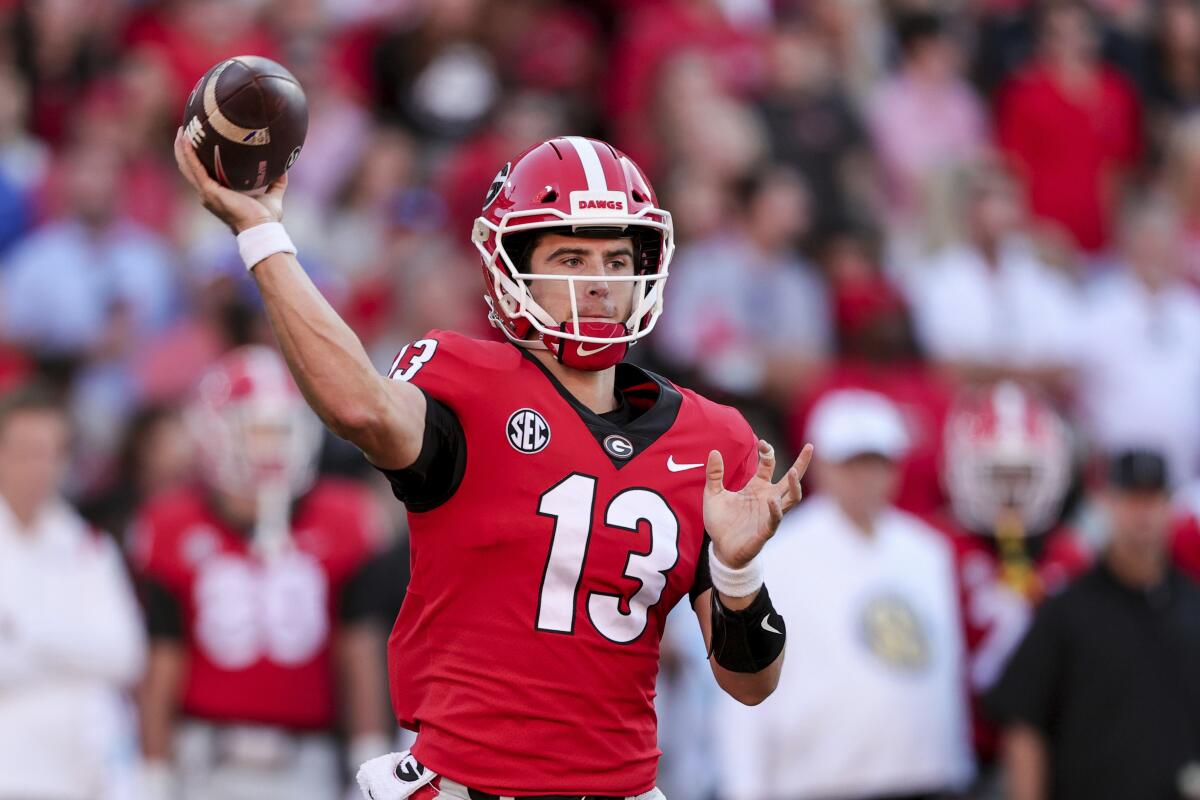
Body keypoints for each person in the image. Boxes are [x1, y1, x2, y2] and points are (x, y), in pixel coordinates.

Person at [173, 130, 809, 800]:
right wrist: (263, 238)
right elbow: (361, 408)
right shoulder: (468, 384)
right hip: (469, 786)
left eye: (617, 260)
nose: (598, 284)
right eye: (570, 258)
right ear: (512, 267)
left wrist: (738, 574)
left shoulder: (712, 440)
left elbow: (751, 685)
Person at [129, 346, 386, 800]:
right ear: (213, 434)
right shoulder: (171, 524)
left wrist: (368, 755)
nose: (270, 448)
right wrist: (154, 770)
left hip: (308, 760)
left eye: (280, 430)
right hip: (206, 757)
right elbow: (162, 659)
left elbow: (358, 651)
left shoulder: (343, 518)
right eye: (254, 431)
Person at [716, 389, 974, 800]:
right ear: (824, 469)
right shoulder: (777, 553)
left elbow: (946, 669)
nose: (866, 478)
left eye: (877, 463)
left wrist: (957, 763)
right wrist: (745, 788)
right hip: (818, 783)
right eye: (852, 464)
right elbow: (746, 673)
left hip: (928, 777)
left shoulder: (928, 552)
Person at [986, 450, 1200, 800]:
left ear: (1170, 508)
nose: (1143, 514)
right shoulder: (1067, 609)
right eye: (1131, 499)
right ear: (1106, 505)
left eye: (1153, 499)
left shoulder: (1193, 604)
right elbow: (1024, 724)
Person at [0, 382, 146, 800]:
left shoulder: (89, 547)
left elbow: (125, 655)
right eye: (27, 451)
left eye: (53, 452)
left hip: (84, 774)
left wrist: (23, 633)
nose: (41, 466)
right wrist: (76, 654)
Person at [933, 382, 1089, 771]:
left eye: (1022, 474)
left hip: (1051, 747)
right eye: (997, 473)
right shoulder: (938, 549)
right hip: (960, 746)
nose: (1010, 491)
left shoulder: (1069, 555)